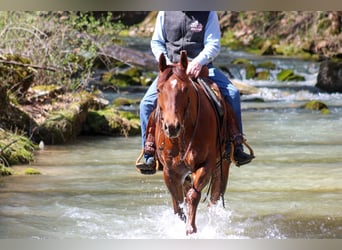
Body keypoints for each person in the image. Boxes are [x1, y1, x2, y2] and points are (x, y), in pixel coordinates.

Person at [136, 11, 254, 173]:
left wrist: (198, 62)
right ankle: (149, 151)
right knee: (146, 104)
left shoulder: (208, 13)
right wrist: (168, 63)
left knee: (232, 93)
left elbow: (213, 44)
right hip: (171, 70)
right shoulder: (164, 12)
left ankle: (236, 143)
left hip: (201, 68)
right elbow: (156, 42)